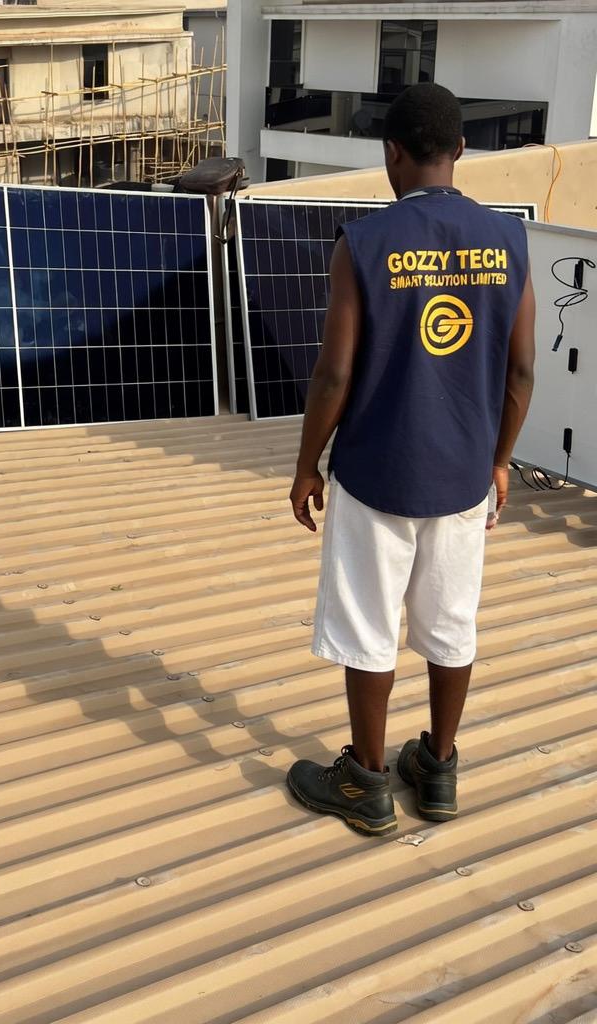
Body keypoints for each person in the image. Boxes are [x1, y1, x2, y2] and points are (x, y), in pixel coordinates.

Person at [285, 83, 536, 836]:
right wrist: (499, 462)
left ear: (390, 154)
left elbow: (333, 374)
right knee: (451, 622)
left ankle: (365, 781)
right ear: (461, 152)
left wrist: (307, 465)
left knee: (369, 623)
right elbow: (522, 374)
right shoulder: (510, 241)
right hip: (463, 476)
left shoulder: (362, 243)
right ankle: (437, 766)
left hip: (377, 473)